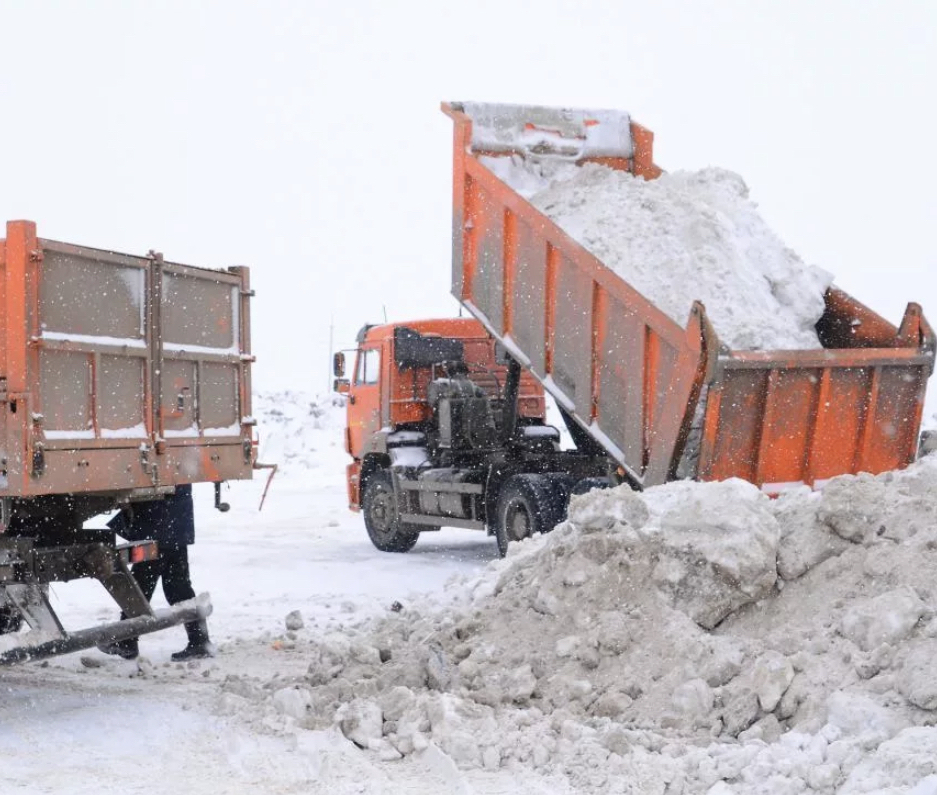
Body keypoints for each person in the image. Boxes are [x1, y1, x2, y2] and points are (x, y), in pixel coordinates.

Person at [100, 484, 214, 661]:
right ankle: (199, 640)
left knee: (143, 581)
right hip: (173, 520)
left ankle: (126, 640)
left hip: (158, 520)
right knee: (177, 585)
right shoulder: (178, 463)